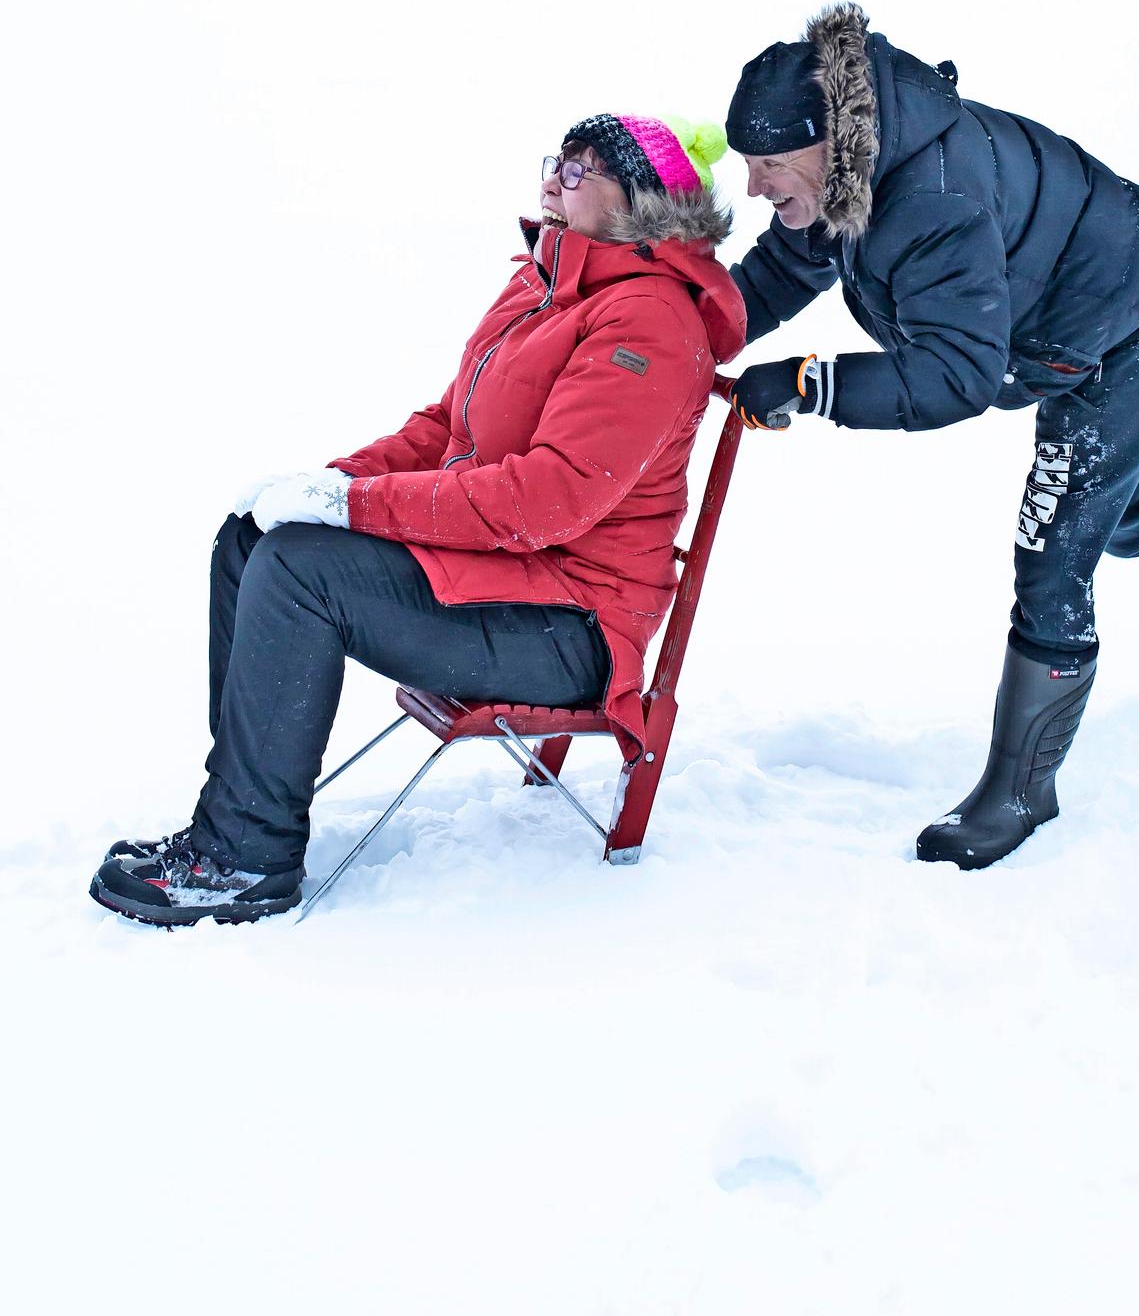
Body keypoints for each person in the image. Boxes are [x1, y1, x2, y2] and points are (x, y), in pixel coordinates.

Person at [724, 1, 1139, 871]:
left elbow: (955, 373)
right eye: (749, 165)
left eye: (771, 165)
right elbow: (777, 271)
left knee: (1054, 551)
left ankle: (1021, 792)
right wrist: (683, 338)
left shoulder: (933, 199)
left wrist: (814, 384)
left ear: (826, 142)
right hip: (1080, 318)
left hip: (1137, 320)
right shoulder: (852, 171)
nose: (756, 187)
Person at [90, 112, 744, 925]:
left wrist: (352, 511)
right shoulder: (546, 281)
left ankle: (246, 860)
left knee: (300, 572)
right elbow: (448, 428)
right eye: (557, 162)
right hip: (506, 580)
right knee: (255, 538)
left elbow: (547, 499)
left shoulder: (648, 320)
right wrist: (329, 482)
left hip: (571, 629)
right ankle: (231, 818)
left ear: (642, 203)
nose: (553, 179)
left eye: (580, 171)